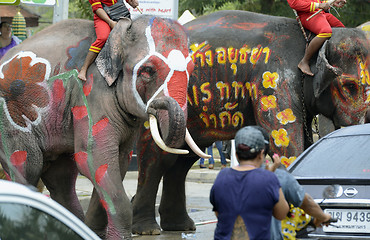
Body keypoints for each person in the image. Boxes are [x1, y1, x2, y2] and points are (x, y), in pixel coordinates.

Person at [249, 126, 332, 240]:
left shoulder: (225, 179)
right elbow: (306, 203)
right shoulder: (281, 177)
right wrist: (323, 217)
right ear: (265, 150)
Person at [210, 126, 289, 240]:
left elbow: (219, 213)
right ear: (261, 154)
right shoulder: (269, 179)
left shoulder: (222, 177)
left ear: (236, 155)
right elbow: (281, 214)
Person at [78, 0, 138, 81]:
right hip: (103, 18)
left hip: (120, 13)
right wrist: (110, 22)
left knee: (132, 35)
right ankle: (84, 69)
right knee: (103, 37)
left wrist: (132, 2)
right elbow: (97, 9)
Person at [287, 0, 346, 76]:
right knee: (326, 32)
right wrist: (318, 5)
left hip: (321, 13)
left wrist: (333, 2)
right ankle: (304, 61)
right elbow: (294, 4)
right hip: (307, 15)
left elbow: (320, 2)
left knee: (343, 32)